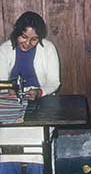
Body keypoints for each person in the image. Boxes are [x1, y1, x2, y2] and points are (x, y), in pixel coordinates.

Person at [0, 11, 60, 173]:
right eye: (24, 37)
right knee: (4, 144)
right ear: (17, 33)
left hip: (41, 101)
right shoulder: (4, 50)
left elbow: (54, 82)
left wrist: (39, 92)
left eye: (34, 39)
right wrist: (9, 90)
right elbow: (2, 82)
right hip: (11, 103)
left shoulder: (48, 49)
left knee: (38, 143)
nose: (28, 43)